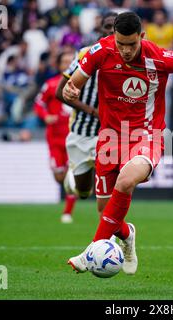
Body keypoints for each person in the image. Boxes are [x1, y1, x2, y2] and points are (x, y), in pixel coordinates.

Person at [62, 12, 173, 275]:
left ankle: (92, 250)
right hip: (110, 137)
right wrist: (71, 90)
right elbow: (74, 84)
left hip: (147, 136)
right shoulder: (100, 51)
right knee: (106, 210)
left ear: (142, 37)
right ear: (114, 38)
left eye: (131, 45)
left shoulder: (159, 57)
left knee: (125, 181)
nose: (124, 50)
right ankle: (128, 235)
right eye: (120, 44)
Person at [55, 12, 118, 209]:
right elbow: (60, 92)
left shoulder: (126, 57)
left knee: (109, 193)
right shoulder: (85, 53)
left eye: (114, 27)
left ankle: (110, 234)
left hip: (109, 134)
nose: (110, 31)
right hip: (82, 133)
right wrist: (92, 111)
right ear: (100, 29)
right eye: (107, 26)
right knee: (84, 192)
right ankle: (73, 183)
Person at [33, 52, 77, 223]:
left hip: (73, 138)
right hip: (54, 138)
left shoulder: (80, 83)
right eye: (64, 62)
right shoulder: (51, 84)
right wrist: (45, 116)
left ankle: (67, 212)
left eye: (70, 61)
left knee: (70, 175)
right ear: (58, 65)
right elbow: (39, 103)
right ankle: (69, 192)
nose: (67, 64)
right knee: (59, 176)